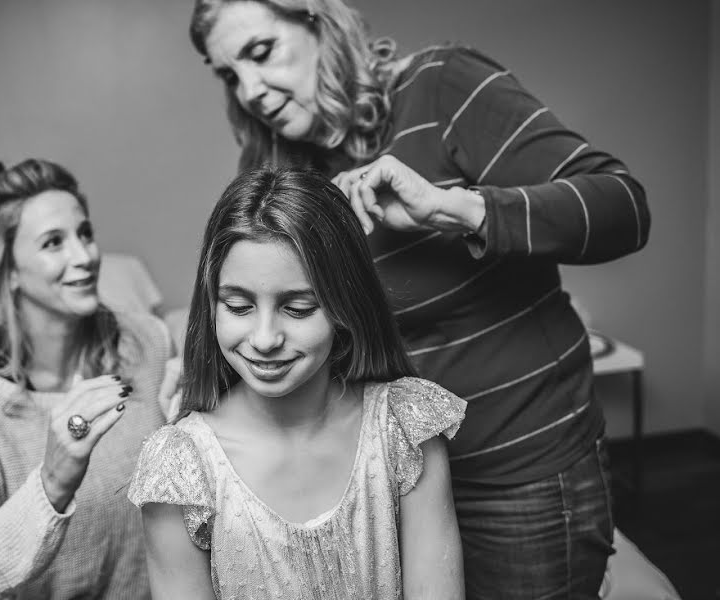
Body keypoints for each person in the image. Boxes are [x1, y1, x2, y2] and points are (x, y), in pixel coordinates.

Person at [188, 1, 650, 597]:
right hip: (384, 482)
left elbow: (623, 206)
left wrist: (457, 210)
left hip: (516, 475)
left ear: (319, 23)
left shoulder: (441, 87)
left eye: (260, 52)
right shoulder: (279, 169)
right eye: (229, 74)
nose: (250, 89)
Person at [128, 167, 467, 599]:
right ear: (212, 303)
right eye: (238, 306)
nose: (265, 339)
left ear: (346, 306)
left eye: (299, 308)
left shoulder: (404, 429)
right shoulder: (181, 468)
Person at [0, 159, 171, 599]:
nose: (85, 256)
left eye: (85, 233)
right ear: (8, 269)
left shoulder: (146, 342)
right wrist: (55, 478)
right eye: (54, 242)